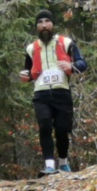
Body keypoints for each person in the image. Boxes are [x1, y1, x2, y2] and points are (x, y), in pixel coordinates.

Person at [26, 22, 82, 172]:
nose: (44, 26)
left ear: (53, 24)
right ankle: (49, 165)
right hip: (41, 93)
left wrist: (72, 67)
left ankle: (63, 162)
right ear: (36, 26)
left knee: (62, 129)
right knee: (44, 126)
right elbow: (28, 71)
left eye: (47, 22)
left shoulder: (66, 43)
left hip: (61, 92)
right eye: (40, 22)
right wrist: (26, 76)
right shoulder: (31, 48)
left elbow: (82, 63)